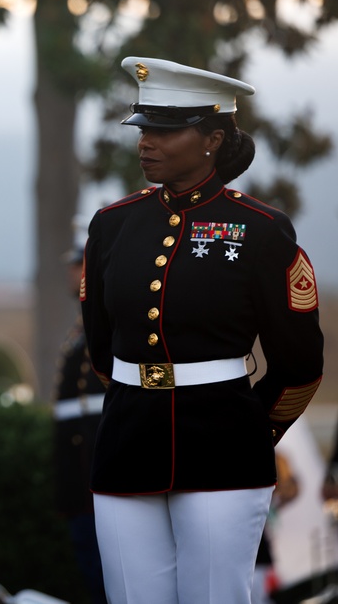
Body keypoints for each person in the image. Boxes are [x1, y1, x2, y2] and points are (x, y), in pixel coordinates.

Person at [80, 56, 324, 604]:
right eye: (143, 129)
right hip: (126, 442)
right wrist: (134, 399)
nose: (146, 143)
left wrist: (251, 429)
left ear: (214, 137)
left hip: (225, 446)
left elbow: (300, 362)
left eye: (165, 131)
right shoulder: (113, 224)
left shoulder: (259, 230)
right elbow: (101, 346)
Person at [52, 247, 107, 604]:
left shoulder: (104, 318)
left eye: (79, 265)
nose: (73, 273)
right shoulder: (83, 322)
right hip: (78, 461)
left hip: (94, 455)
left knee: (105, 565)